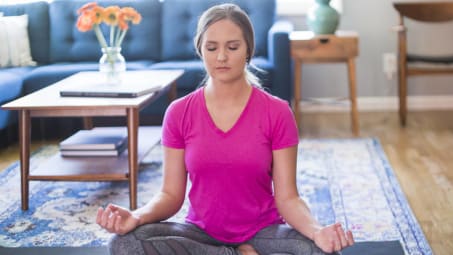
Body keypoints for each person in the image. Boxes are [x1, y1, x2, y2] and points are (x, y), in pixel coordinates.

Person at [96, 3, 354, 255]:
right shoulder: (179, 112)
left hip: (262, 233)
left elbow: (288, 198)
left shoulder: (277, 112)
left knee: (319, 250)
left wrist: (317, 231)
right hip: (200, 235)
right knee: (123, 243)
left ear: (248, 51)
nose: (221, 57)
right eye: (211, 47)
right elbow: (170, 195)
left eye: (232, 47)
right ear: (201, 50)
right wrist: (136, 216)